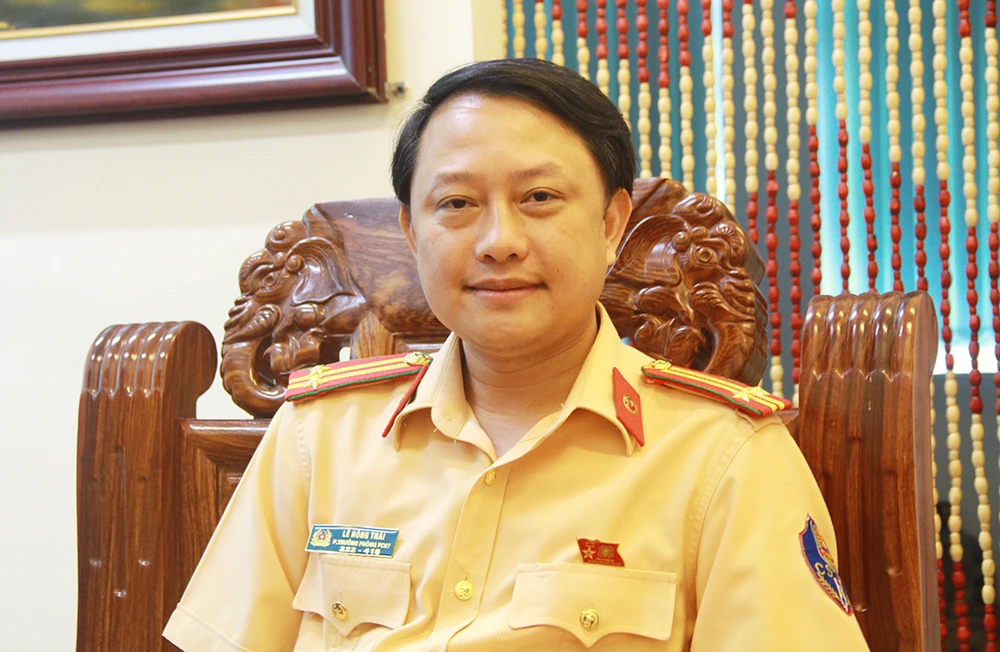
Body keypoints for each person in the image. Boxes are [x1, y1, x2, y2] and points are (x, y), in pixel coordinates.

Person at [163, 58, 870, 651]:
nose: (499, 241)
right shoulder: (318, 435)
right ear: (411, 232)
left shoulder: (726, 458)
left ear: (612, 223)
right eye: (457, 204)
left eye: (539, 197)